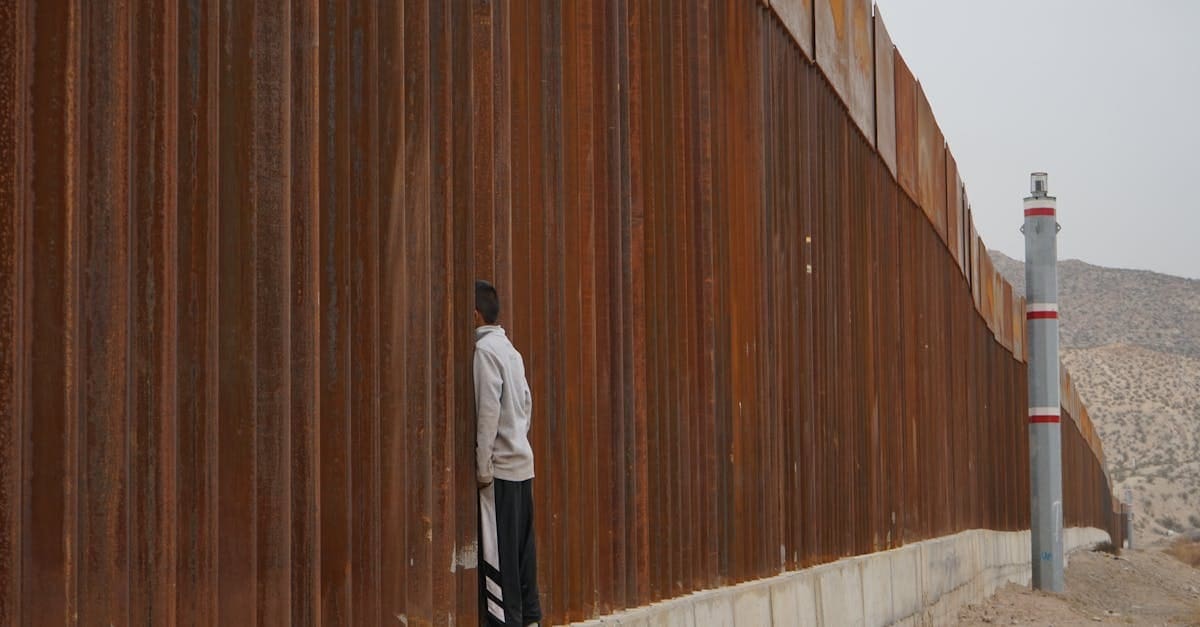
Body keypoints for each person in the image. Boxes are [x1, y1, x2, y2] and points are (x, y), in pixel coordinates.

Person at [474, 280, 542, 627]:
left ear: (474, 314)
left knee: (499, 563)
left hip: (499, 470)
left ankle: (507, 623)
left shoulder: (485, 352)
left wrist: (483, 466)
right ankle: (530, 617)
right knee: (522, 555)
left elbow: (487, 411)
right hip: (522, 464)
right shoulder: (511, 351)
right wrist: (518, 438)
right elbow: (527, 403)